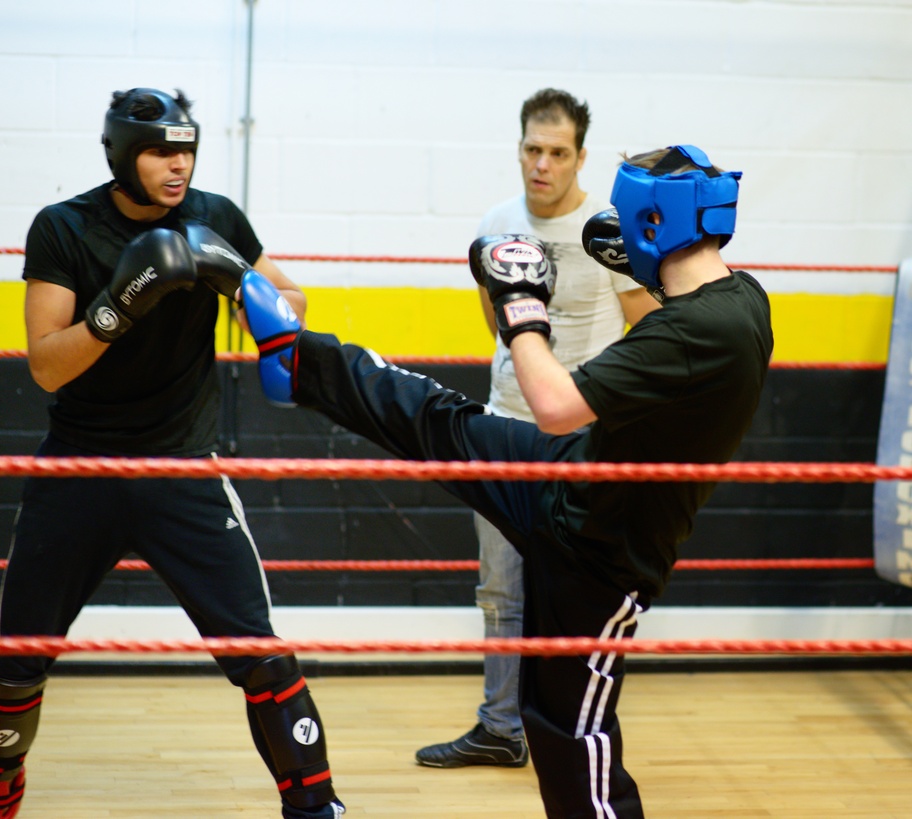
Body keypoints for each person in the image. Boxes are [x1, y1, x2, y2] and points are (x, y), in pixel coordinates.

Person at [239, 144, 772, 817]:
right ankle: (299, 363)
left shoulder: (693, 331)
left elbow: (553, 405)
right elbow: (676, 326)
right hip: (568, 479)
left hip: (600, 553)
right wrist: (643, 262)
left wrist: (520, 302)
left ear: (654, 221)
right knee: (442, 421)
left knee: (570, 734)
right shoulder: (744, 297)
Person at [0, 88, 345, 819]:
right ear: (123, 154)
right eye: (160, 152)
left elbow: (295, 306)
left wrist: (240, 280)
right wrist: (119, 304)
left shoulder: (215, 217)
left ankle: (317, 808)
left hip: (182, 468)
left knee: (259, 651)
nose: (178, 165)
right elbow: (46, 366)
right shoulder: (65, 227)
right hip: (79, 470)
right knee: (18, 655)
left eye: (186, 151)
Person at [415, 88, 658, 770]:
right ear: (518, 149)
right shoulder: (496, 223)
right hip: (506, 425)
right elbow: (497, 325)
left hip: (584, 436)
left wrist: (604, 402)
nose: (542, 164)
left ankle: (570, 731)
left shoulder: (608, 230)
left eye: (557, 152)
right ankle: (500, 727)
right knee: (501, 587)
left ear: (580, 157)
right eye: (532, 149)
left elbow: (647, 325)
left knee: (579, 587)